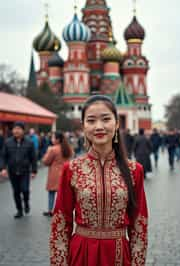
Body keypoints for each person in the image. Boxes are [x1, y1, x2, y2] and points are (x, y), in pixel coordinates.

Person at [50, 95, 148, 266]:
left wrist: (137, 262)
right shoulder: (72, 169)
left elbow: (139, 223)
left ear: (117, 124)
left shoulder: (134, 170)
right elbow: (61, 222)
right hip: (81, 254)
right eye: (91, 120)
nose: (99, 127)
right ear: (84, 126)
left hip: (118, 256)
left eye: (105, 119)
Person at [0, 122, 37, 218]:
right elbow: (3, 156)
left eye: (18, 129)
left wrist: (34, 171)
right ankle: (19, 210)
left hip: (25, 171)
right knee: (16, 191)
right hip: (12, 171)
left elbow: (33, 158)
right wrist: (3, 168)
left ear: (23, 130)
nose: (16, 131)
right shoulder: (8, 142)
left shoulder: (29, 142)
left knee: (25, 189)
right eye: (14, 129)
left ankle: (26, 202)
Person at [42, 131, 73, 217]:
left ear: (57, 140)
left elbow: (46, 161)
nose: (51, 139)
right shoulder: (68, 148)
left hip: (54, 173)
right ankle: (62, 211)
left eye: (53, 138)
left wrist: (45, 155)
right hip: (66, 172)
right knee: (63, 194)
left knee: (51, 193)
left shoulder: (52, 149)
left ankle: (50, 210)